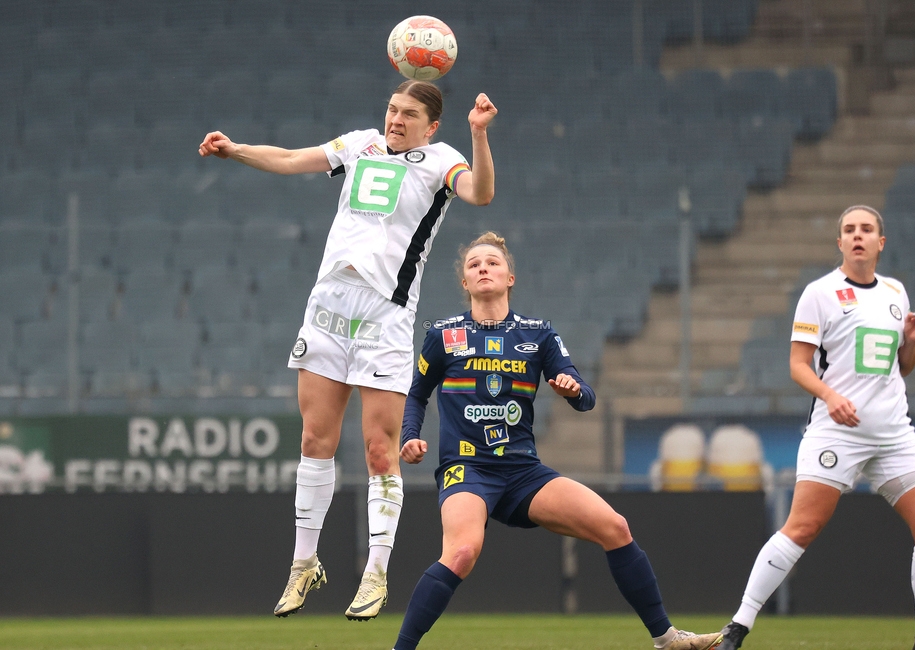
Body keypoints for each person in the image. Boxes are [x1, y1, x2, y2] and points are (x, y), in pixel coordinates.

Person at [198, 81, 497, 620]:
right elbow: (291, 159)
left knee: (380, 449)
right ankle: (302, 565)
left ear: (431, 126)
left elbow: (480, 193)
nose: (396, 120)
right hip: (329, 305)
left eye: (409, 114)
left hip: (386, 313)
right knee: (315, 438)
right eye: (392, 109)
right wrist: (235, 149)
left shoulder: (443, 160)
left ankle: (376, 572)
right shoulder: (359, 145)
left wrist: (478, 134)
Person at [392, 232, 724, 650]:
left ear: (510, 276)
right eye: (474, 264)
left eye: (492, 262)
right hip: (467, 468)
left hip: (523, 472)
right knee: (461, 553)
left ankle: (668, 639)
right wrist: (409, 436)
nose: (482, 268)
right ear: (464, 281)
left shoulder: (539, 334)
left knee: (615, 527)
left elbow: (586, 397)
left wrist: (572, 389)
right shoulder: (442, 334)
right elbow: (417, 393)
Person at [716, 206, 915, 650]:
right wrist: (830, 396)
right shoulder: (819, 294)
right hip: (836, 431)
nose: (858, 235)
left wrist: (913, 344)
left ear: (881, 243)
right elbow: (798, 365)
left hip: (893, 434)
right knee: (801, 528)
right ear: (840, 243)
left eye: (867, 229)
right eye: (849, 230)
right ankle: (737, 628)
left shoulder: (896, 292)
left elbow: (900, 369)